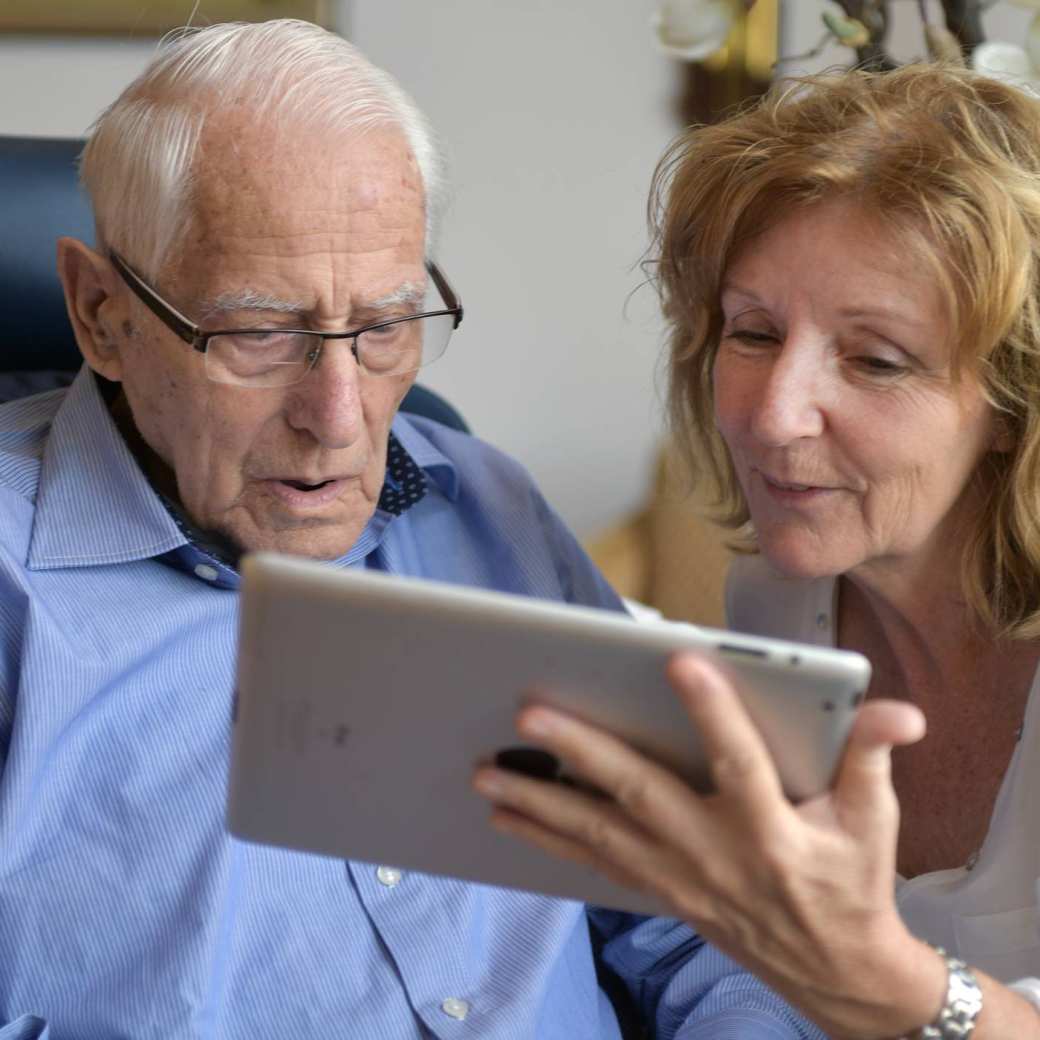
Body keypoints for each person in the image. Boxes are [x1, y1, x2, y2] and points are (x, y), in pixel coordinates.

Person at [0, 18, 828, 1040]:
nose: (341, 419)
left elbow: (698, 923)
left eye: (385, 326)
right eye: (262, 334)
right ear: (99, 313)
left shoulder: (484, 506)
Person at [473, 63, 1040, 1038]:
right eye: (752, 332)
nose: (773, 418)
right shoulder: (784, 597)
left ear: (1010, 398)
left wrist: (895, 987)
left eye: (872, 358)